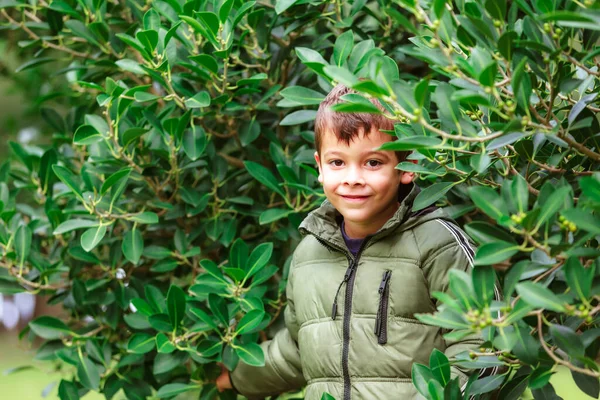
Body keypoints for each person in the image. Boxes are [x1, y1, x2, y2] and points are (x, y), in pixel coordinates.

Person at [216, 84, 499, 399]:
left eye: (373, 163)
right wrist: (236, 376)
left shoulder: (437, 244)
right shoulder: (309, 253)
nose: (352, 178)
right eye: (338, 162)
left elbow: (484, 346)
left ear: (408, 166)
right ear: (320, 167)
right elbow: (298, 349)